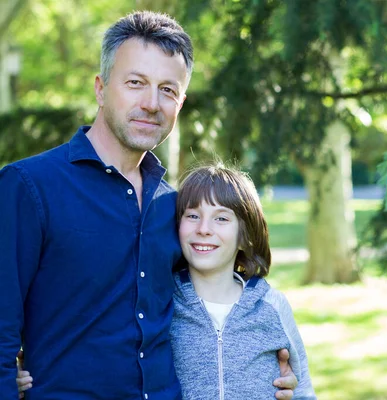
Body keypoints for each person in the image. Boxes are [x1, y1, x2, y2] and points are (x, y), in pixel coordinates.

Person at [1, 11, 296, 399]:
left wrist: (260, 374)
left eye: (168, 90)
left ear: (181, 101)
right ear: (101, 87)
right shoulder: (28, 186)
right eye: (136, 83)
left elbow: (208, 311)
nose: (151, 103)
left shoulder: (174, 207)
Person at [171, 163, 317, 399]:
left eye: (221, 218)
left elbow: (302, 391)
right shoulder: (163, 304)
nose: (204, 229)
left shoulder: (272, 306)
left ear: (244, 236)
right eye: (193, 215)